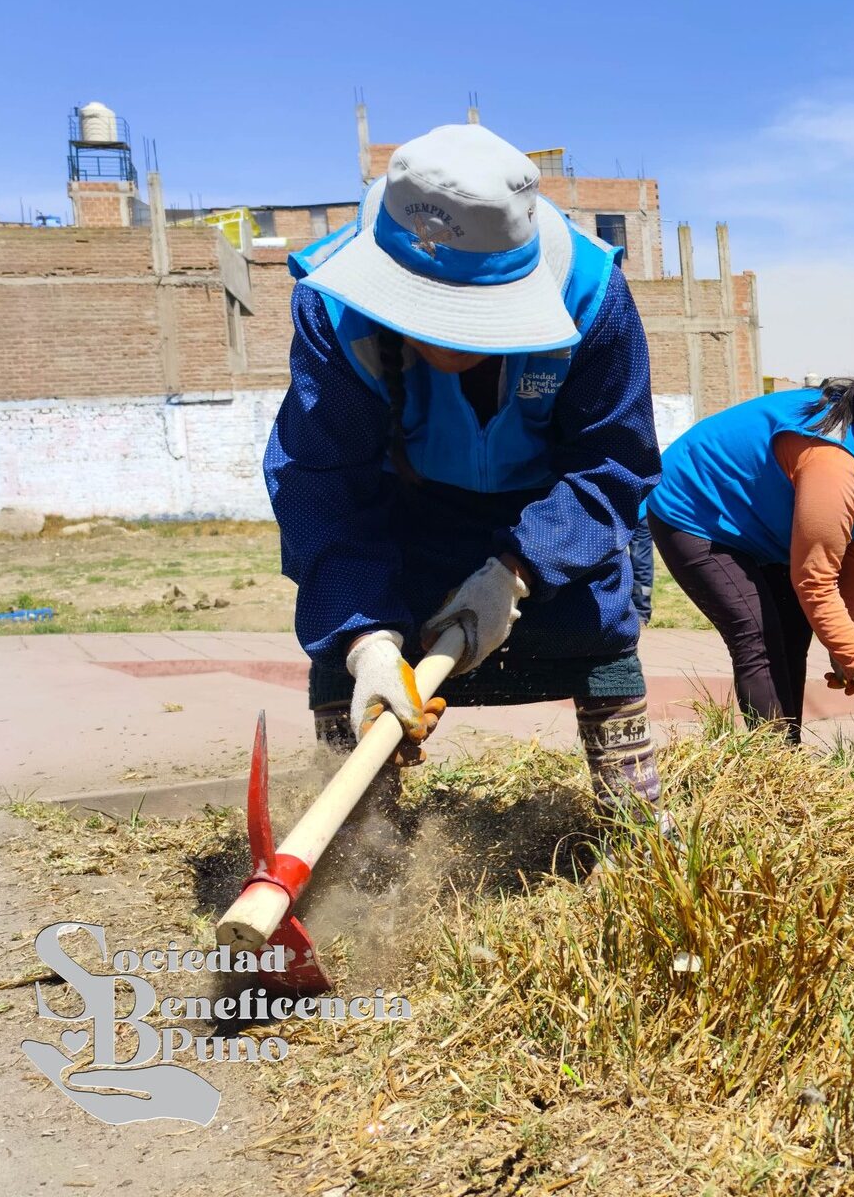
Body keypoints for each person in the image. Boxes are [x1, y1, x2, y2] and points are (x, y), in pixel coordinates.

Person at [264, 124, 665, 825]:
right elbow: (323, 483)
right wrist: (368, 642)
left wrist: (516, 570)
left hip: (555, 514)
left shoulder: (591, 292)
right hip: (406, 511)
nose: (451, 342)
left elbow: (612, 464)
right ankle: (361, 847)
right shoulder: (330, 307)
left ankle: (633, 835)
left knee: (601, 629)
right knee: (346, 643)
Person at [645, 359, 854, 741]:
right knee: (759, 637)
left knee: (794, 633)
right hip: (698, 509)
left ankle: (788, 755)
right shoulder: (835, 465)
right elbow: (815, 580)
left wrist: (845, 649)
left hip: (767, 526)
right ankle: (776, 767)